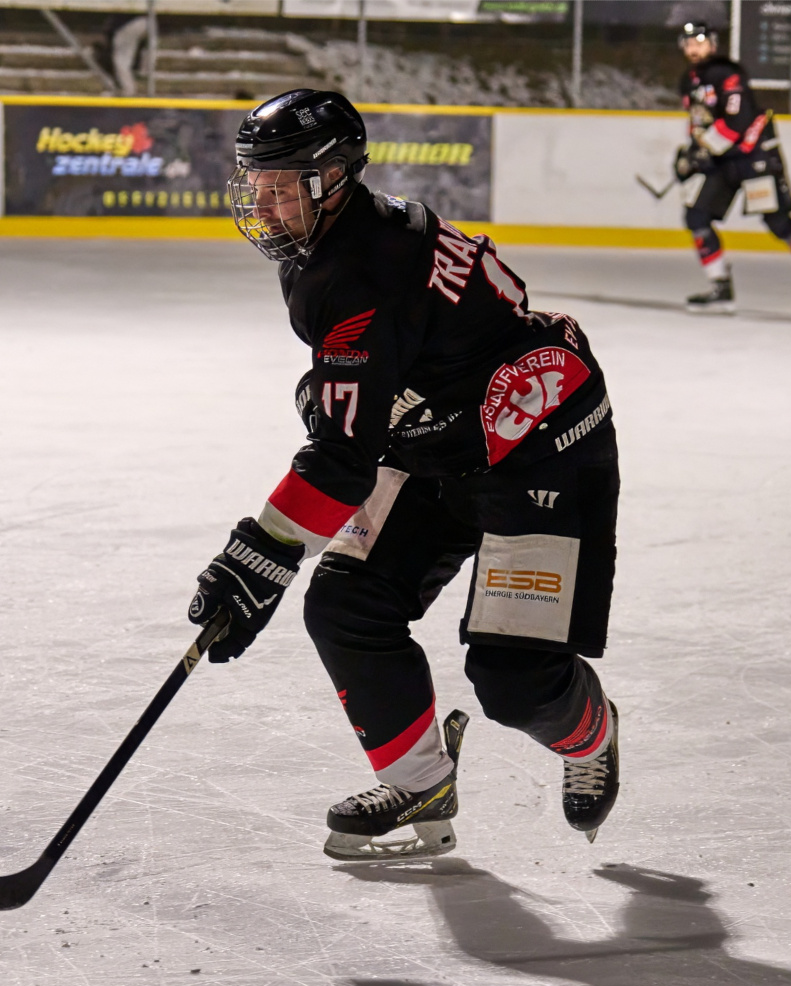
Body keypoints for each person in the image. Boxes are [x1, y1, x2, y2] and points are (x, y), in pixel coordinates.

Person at [188, 89, 623, 863]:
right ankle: (421, 780)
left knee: (515, 680)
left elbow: (342, 460)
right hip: (443, 441)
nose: (264, 201)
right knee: (347, 604)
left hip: (541, 447)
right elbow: (371, 385)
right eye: (257, 183)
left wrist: (261, 551)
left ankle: (592, 731)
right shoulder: (335, 241)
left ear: (336, 178)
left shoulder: (362, 272)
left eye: (284, 184)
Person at [674, 21, 791, 312]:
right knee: (696, 217)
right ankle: (720, 287)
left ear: (712, 44)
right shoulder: (689, 81)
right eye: (688, 43)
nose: (693, 49)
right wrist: (690, 155)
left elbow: (738, 121)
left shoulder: (728, 73)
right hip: (724, 159)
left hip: (755, 157)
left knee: (777, 222)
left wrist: (704, 151)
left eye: (699, 42)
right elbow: (700, 123)